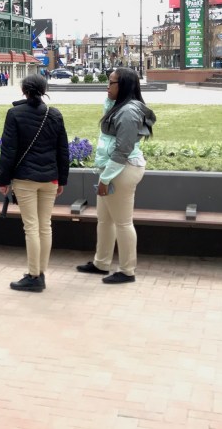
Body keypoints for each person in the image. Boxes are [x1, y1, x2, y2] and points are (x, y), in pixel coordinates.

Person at [77, 67, 156, 285]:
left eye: (111, 83)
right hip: (112, 169)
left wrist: (105, 179)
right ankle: (101, 263)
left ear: (124, 86)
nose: (107, 86)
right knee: (104, 220)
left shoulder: (129, 113)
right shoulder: (119, 107)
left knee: (122, 222)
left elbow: (122, 150)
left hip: (122, 170)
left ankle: (127, 270)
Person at [0, 73, 69, 293]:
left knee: (31, 227)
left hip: (25, 179)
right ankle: (40, 273)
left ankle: (34, 275)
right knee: (44, 225)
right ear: (44, 90)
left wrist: (3, 179)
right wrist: (62, 180)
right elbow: (63, 150)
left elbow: (8, 150)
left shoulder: (15, 113)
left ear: (23, 91)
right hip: (50, 178)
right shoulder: (54, 114)